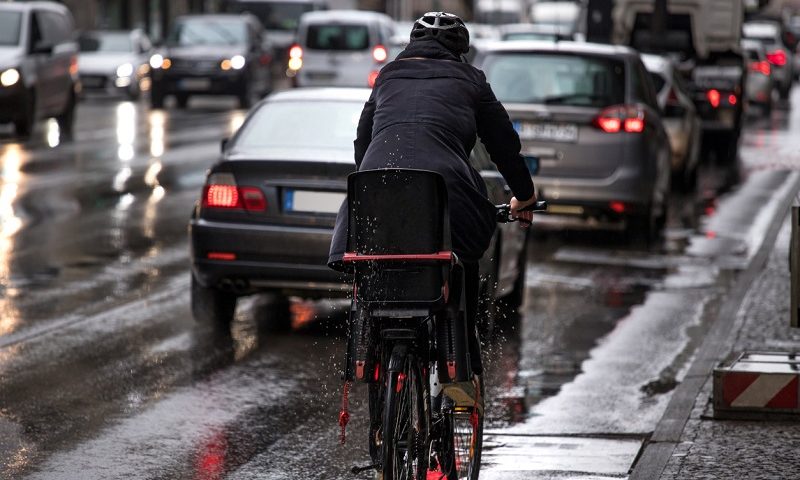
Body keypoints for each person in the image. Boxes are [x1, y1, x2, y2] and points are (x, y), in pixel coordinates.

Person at [328, 11, 537, 400]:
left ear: (412, 45)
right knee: (462, 261)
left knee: (375, 268)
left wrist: (377, 185)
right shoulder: (472, 81)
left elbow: (362, 140)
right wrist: (523, 195)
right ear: (461, 52)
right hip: (447, 190)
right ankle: (461, 371)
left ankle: (374, 373)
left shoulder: (389, 75)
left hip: (376, 188)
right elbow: (504, 146)